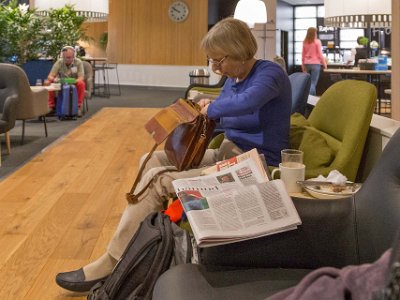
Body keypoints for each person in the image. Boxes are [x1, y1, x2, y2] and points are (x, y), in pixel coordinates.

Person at [55, 17, 292, 293]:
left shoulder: (270, 73)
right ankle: (143, 242)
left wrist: (212, 108)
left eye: (219, 60)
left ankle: (115, 260)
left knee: (158, 181)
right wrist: (198, 110)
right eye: (211, 61)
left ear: (239, 51)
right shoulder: (234, 78)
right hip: (228, 153)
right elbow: (231, 115)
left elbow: (246, 102)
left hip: (255, 163)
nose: (215, 68)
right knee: (150, 160)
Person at [47, 46, 86, 115]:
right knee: (48, 82)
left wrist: (73, 81)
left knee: (81, 83)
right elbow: (50, 76)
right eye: (65, 57)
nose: (67, 59)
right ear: (62, 56)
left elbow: (81, 77)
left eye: (69, 57)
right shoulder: (59, 62)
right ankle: (51, 106)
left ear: (74, 56)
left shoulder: (78, 62)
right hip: (61, 82)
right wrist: (54, 79)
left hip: (73, 83)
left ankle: (78, 107)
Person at [301, 27, 327, 96]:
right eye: (315, 32)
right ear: (314, 33)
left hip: (306, 64)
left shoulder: (305, 42)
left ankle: (307, 99)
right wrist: (324, 64)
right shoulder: (317, 42)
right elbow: (320, 54)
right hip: (315, 64)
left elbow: (303, 54)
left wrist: (302, 65)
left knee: (307, 83)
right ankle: (311, 100)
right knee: (313, 83)